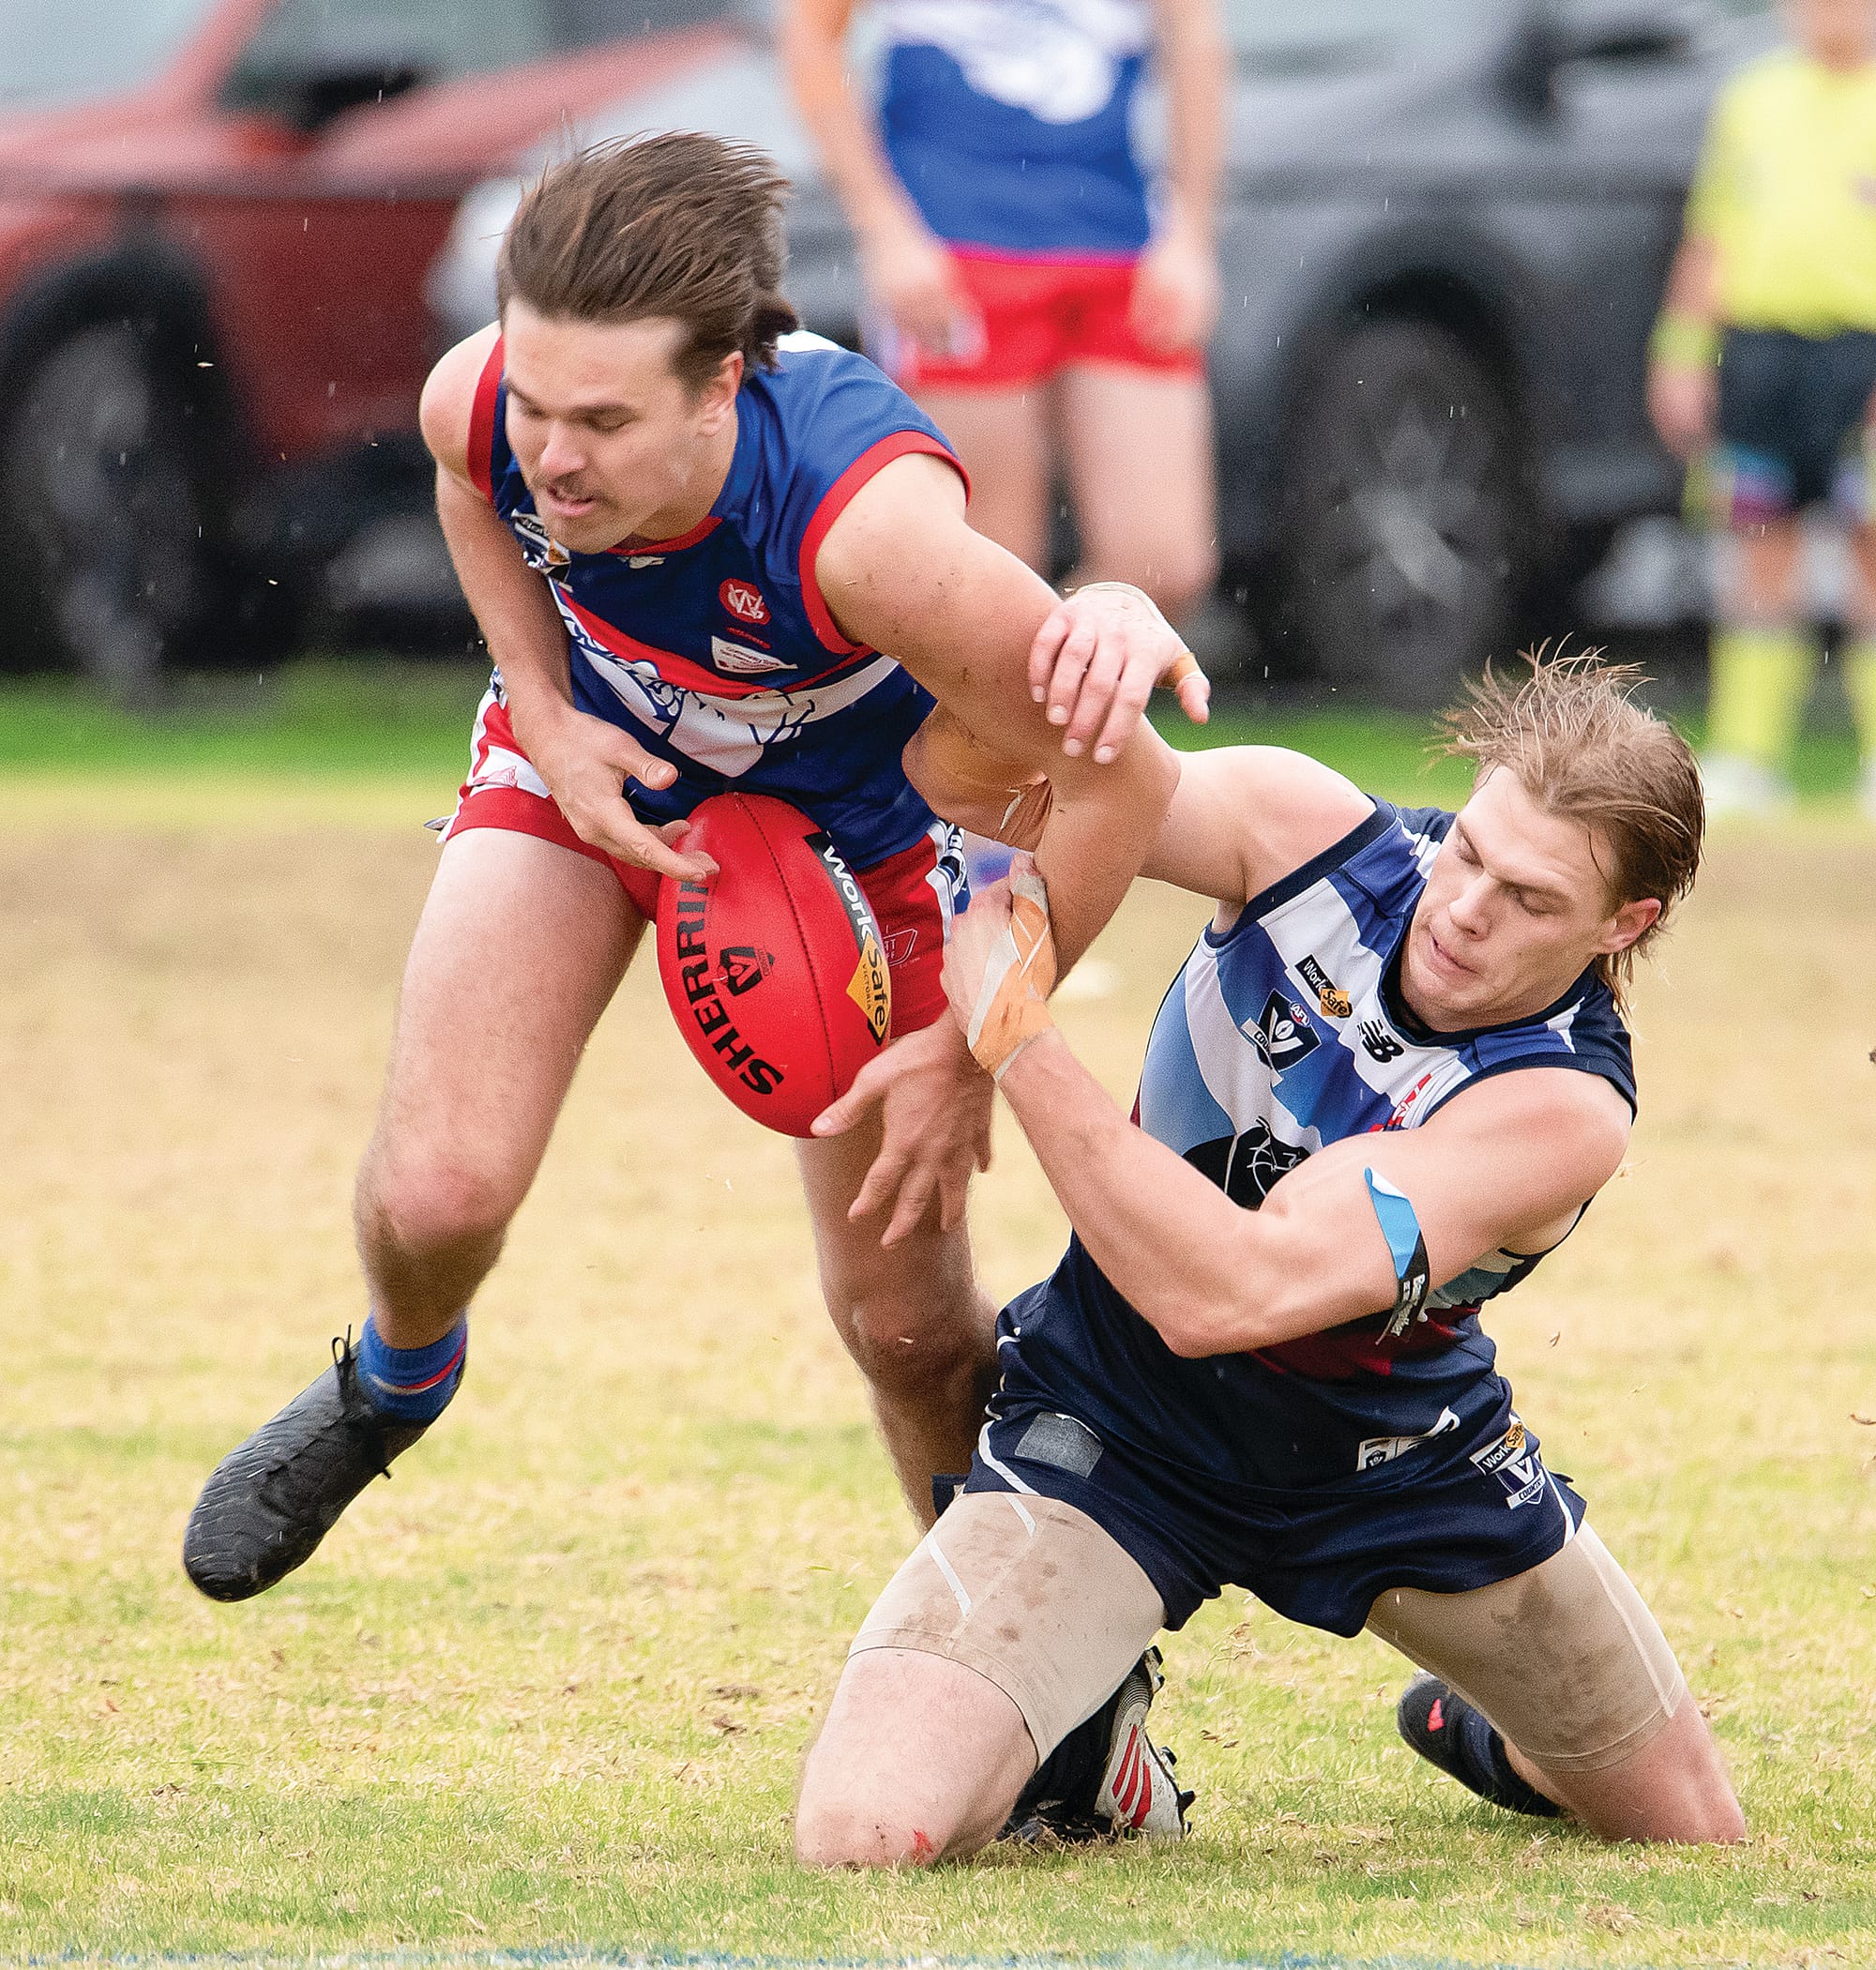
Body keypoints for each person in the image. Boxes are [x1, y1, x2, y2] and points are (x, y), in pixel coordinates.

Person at [181, 132, 1197, 1606]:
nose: (552, 454)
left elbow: (1117, 778)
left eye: (600, 419)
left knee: (908, 1330)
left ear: (724, 383)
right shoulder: (487, 405)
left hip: (857, 841)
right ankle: (395, 1385)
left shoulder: (872, 533)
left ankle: (1036, 1686)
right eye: (534, 404)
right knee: (437, 1198)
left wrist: (974, 1051)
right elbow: (472, 489)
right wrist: (540, 711)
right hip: (600, 748)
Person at [796, 656, 1747, 1863]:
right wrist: (1072, 645)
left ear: (1625, 924)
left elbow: (1226, 1293)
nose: (1462, 908)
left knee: (1693, 1835)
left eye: (1529, 898)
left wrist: (1012, 1037)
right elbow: (984, 782)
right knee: (863, 1834)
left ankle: (1498, 1738)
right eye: (1468, 851)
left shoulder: (1559, 1109)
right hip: (1119, 1426)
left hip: (1401, 1468)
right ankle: (1088, 1745)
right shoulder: (1305, 835)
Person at [781, 0, 1225, 629]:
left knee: (1163, 565)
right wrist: (884, 229)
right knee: (989, 568)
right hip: (957, 250)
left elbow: (1196, 37)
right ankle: (989, 713)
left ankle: (1042, 698)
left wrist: (1192, 236)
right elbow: (809, 41)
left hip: (1120, 241)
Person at [1647, 0, 1876, 816]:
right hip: (1760, 357)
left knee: (1868, 548)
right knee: (1758, 548)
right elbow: (1711, 233)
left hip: (1862, 354)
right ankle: (1749, 754)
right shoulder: (1751, 100)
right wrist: (1680, 353)